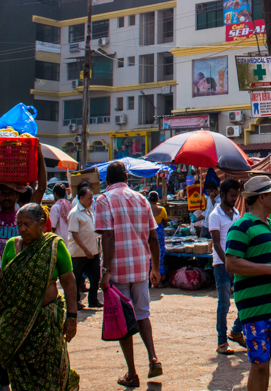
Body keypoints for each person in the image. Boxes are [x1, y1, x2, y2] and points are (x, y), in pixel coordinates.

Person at [0, 140, 48, 391]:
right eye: (2, 193)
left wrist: (38, 156)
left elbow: (42, 187)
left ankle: (19, 372)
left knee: (21, 326)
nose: (6, 197)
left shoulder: (24, 216)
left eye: (10, 193)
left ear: (17, 196)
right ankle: (4, 379)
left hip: (20, 279)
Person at [0, 203, 80, 391]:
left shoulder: (54, 246)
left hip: (45, 321)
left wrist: (71, 318)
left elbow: (69, 282)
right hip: (15, 322)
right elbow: (2, 282)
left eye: (27, 224)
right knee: (20, 372)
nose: (22, 229)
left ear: (41, 223)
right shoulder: (11, 246)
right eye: (19, 224)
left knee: (51, 370)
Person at [95, 160, 163, 386]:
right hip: (141, 268)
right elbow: (153, 237)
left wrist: (105, 271)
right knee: (143, 314)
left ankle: (132, 373)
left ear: (108, 180)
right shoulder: (142, 199)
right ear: (126, 177)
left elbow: (107, 236)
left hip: (118, 271)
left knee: (123, 320)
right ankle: (153, 359)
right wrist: (155, 267)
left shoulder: (104, 200)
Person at [224, 176, 271, 391]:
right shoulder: (241, 226)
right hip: (255, 308)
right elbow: (231, 263)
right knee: (259, 364)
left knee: (265, 362)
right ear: (262, 197)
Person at [208, 178, 246, 355]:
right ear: (222, 195)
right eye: (232, 196)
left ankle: (237, 331)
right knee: (224, 303)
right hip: (221, 264)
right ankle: (221, 341)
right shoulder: (215, 216)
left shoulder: (236, 213)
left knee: (245, 300)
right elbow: (217, 244)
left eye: (236, 196)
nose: (234, 199)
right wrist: (228, 264)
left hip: (237, 263)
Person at [68, 184, 101, 309]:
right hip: (79, 253)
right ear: (81, 198)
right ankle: (75, 302)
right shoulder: (74, 213)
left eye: (92, 197)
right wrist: (85, 249)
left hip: (92, 251)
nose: (91, 200)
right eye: (89, 198)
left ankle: (93, 300)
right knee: (76, 279)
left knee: (95, 276)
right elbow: (74, 234)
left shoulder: (89, 210)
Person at [147, 191, 168, 280]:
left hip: (148, 233)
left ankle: (149, 276)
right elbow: (165, 224)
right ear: (157, 199)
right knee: (160, 253)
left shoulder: (146, 209)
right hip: (159, 234)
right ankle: (160, 278)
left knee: (148, 253)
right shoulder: (162, 209)